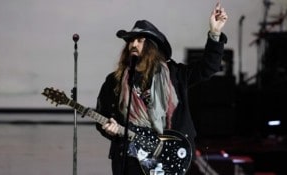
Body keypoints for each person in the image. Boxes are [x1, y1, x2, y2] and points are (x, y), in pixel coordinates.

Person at [95, 2, 228, 175]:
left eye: (140, 40)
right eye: (131, 41)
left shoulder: (175, 74)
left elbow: (208, 68)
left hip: (169, 154)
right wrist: (110, 129)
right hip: (131, 158)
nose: (133, 44)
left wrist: (215, 33)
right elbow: (104, 115)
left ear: (152, 47)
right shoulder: (115, 81)